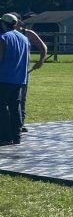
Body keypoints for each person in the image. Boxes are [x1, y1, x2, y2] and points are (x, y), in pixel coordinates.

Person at [10, 14, 47, 133]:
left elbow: (43, 47)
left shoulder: (28, 33)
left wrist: (41, 60)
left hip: (22, 72)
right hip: (7, 71)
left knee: (21, 98)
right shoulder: (5, 34)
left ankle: (20, 124)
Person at [0, 12, 30, 146]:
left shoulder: (4, 37)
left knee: (1, 108)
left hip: (4, 78)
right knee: (15, 107)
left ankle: (5, 136)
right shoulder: (24, 38)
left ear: (4, 23)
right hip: (19, 79)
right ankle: (16, 136)